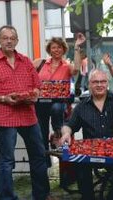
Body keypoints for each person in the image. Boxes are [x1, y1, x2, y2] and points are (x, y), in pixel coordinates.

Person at [0, 25, 50, 200]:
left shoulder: (25, 62)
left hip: (28, 115)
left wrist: (35, 96)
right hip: (5, 117)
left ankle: (41, 195)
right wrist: (3, 99)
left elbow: (37, 86)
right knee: (7, 161)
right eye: (5, 37)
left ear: (17, 40)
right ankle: (7, 197)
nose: (9, 40)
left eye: (12, 38)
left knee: (39, 156)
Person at [55, 68, 113, 200]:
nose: (99, 85)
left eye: (103, 81)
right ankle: (88, 196)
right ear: (89, 84)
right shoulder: (82, 106)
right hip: (91, 152)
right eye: (95, 82)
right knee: (80, 164)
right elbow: (69, 125)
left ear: (107, 83)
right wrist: (66, 134)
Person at [33, 33, 86, 167]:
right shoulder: (40, 63)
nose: (56, 50)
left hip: (59, 101)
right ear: (49, 49)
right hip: (41, 102)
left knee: (57, 108)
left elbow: (76, 70)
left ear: (63, 50)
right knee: (41, 131)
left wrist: (77, 47)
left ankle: (57, 133)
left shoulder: (66, 65)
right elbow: (27, 74)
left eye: (59, 48)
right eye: (53, 47)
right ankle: (44, 163)